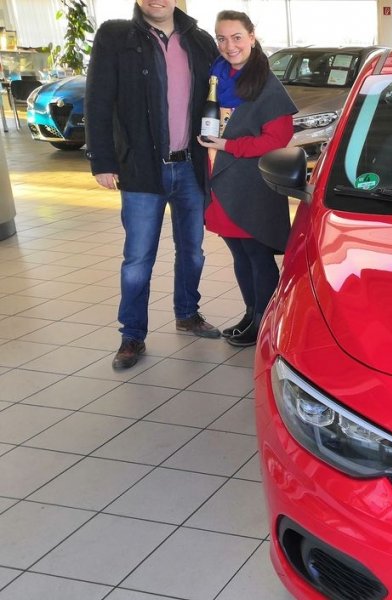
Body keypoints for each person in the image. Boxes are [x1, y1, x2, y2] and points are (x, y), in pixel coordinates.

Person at [86, 0, 221, 371]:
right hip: (141, 168)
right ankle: (132, 335)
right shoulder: (116, 35)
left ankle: (187, 313)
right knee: (138, 259)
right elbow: (97, 99)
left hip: (190, 166)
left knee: (192, 251)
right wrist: (102, 161)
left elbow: (225, 87)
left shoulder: (199, 40)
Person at [197, 11, 297, 347]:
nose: (229, 45)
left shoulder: (267, 85)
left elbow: (277, 140)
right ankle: (250, 313)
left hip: (253, 184)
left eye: (237, 37)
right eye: (222, 38)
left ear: (252, 37)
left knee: (256, 253)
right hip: (221, 180)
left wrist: (227, 145)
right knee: (239, 253)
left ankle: (265, 322)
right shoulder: (216, 78)